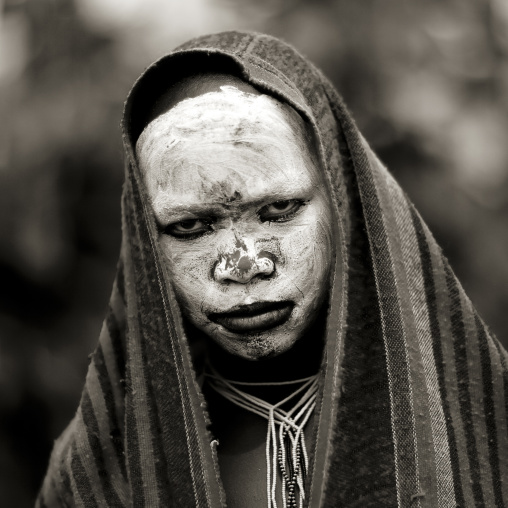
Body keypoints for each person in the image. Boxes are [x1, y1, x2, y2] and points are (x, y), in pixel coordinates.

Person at [37, 31, 508, 508]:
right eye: (190, 226)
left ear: (344, 202)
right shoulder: (101, 470)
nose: (242, 265)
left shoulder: (489, 425)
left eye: (280, 209)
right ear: (145, 239)